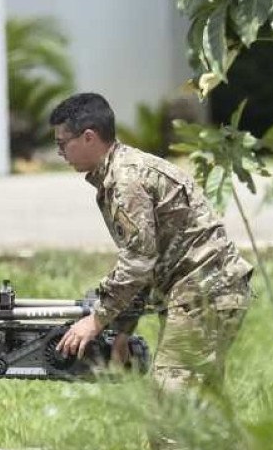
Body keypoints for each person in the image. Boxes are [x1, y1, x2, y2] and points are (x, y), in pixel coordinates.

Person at [49, 92, 252, 391]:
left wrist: (96, 321)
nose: (60, 153)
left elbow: (138, 264)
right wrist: (121, 331)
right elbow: (146, 262)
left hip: (205, 293)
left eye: (62, 143)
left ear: (89, 137)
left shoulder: (126, 181)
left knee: (170, 412)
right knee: (201, 414)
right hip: (203, 292)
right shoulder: (119, 173)